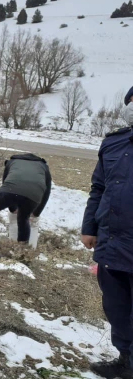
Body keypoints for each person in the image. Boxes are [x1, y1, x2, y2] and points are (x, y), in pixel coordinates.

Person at [81, 103, 133, 379]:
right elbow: (99, 187)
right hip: (112, 244)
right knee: (117, 307)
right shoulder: (114, 142)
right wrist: (89, 226)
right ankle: (126, 361)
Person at [0, 153, 52, 243]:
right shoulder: (43, 166)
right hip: (33, 194)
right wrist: (37, 212)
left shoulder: (11, 162)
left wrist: (12, 209)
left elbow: (5, 182)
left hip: (10, 189)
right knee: (23, 219)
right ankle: (22, 249)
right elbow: (47, 191)